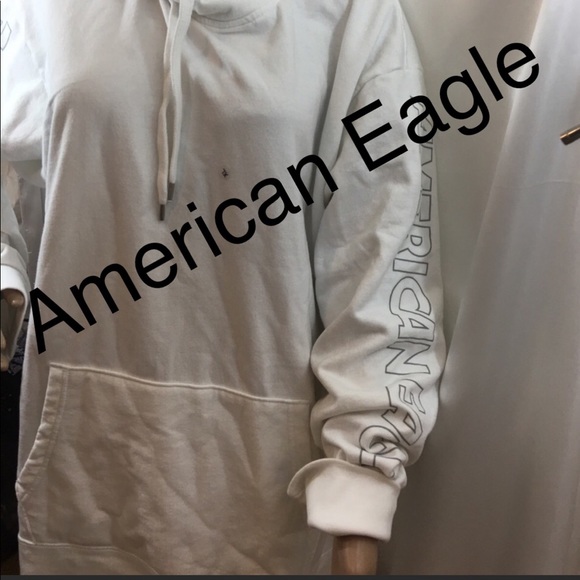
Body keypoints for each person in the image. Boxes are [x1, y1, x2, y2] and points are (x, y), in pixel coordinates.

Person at [1, 0, 445, 574]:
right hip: (81, 471)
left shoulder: (356, 16)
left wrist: (360, 488)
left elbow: (380, 256)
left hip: (265, 495)